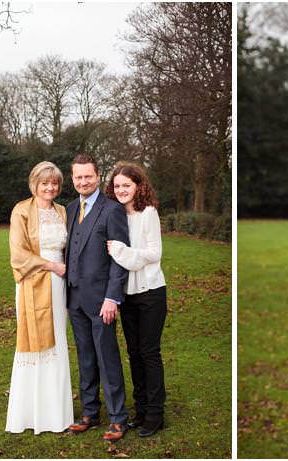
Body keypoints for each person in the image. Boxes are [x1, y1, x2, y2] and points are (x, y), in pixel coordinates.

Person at [64, 154, 131, 441]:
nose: (83, 181)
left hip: (101, 299)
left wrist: (112, 298)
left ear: (98, 176)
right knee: (85, 356)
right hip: (75, 297)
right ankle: (89, 412)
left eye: (88, 176)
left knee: (107, 357)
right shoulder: (69, 209)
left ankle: (118, 418)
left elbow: (119, 258)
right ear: (73, 179)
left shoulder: (112, 210)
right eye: (78, 177)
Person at [6, 161, 74, 434]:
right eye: (44, 183)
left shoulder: (62, 211)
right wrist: (52, 266)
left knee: (57, 339)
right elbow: (18, 253)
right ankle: (30, 413)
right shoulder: (21, 210)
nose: (50, 187)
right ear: (34, 183)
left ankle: (56, 412)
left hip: (59, 287)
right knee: (33, 342)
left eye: (54, 183)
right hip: (33, 281)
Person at [104, 162, 168, 437]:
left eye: (126, 185)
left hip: (151, 292)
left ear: (138, 186)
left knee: (149, 352)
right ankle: (140, 410)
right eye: (117, 186)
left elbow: (154, 253)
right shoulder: (115, 214)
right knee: (133, 353)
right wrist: (127, 255)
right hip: (127, 296)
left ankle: (156, 413)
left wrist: (121, 252)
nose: (121, 190)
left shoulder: (148, 212)